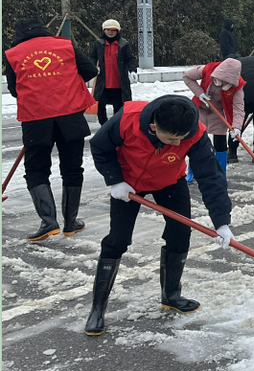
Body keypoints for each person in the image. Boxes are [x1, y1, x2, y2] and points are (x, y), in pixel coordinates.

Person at [85, 95, 233, 336]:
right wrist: (115, 180)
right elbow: (100, 146)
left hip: (169, 181)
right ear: (153, 126)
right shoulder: (127, 119)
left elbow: (211, 177)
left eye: (181, 139)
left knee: (179, 234)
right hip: (128, 185)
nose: (177, 144)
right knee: (117, 240)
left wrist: (221, 222)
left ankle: (171, 295)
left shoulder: (194, 133)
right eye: (171, 139)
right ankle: (98, 308)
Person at [3, 19, 98, 241]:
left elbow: (14, 89)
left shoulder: (13, 53)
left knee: (36, 169)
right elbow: (90, 69)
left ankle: (48, 222)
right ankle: (71, 222)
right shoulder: (64, 45)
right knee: (72, 168)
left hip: (36, 120)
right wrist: (66, 83)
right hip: (70, 116)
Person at [182, 58, 245, 175]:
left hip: (219, 113)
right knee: (196, 141)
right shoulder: (207, 69)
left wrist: (237, 127)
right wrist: (199, 93)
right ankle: (192, 173)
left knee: (220, 143)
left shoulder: (237, 86)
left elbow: (238, 108)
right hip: (201, 108)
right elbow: (187, 76)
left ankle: (221, 174)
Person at [90, 19, 139, 126]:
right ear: (104, 30)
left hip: (118, 82)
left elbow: (130, 58)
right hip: (103, 82)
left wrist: (133, 70)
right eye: (108, 30)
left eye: (113, 30)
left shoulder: (123, 44)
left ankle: (116, 126)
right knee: (100, 104)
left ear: (118, 31)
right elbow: (93, 57)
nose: (110, 32)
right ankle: (104, 125)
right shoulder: (99, 43)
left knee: (119, 105)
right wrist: (94, 67)